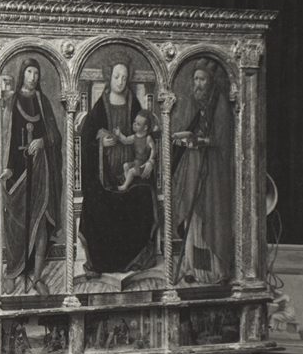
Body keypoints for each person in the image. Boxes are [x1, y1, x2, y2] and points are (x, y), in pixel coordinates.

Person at [78, 55, 158, 275]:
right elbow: (86, 138)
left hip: (131, 168)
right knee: (96, 200)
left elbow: (147, 137)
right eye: (116, 76)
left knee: (141, 196)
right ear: (109, 77)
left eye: (124, 77)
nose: (121, 81)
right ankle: (101, 262)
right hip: (104, 172)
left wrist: (149, 161)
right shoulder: (100, 106)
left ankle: (133, 259)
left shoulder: (134, 104)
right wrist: (100, 143)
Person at [0, 58, 63, 294]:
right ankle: (12, 272)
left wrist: (42, 141)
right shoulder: (13, 101)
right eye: (29, 72)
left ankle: (36, 277)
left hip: (41, 169)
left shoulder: (42, 101)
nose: (33, 77)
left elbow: (56, 135)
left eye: (36, 73)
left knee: (41, 224)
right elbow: (8, 138)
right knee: (16, 224)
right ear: (22, 74)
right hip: (18, 169)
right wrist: (8, 168)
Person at [172, 58, 234, 284]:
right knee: (193, 215)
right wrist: (182, 136)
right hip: (195, 165)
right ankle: (191, 267)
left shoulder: (220, 105)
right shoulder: (198, 104)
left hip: (212, 170)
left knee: (210, 213)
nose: (197, 84)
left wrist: (201, 141)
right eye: (195, 79)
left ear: (211, 82)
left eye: (202, 79)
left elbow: (222, 140)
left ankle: (215, 272)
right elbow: (193, 130)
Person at [115, 111, 157, 192]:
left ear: (145, 128)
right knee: (125, 165)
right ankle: (129, 183)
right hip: (136, 162)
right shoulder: (134, 137)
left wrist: (150, 161)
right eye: (134, 122)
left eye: (138, 124)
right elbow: (125, 140)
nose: (134, 124)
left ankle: (125, 186)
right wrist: (119, 134)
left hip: (143, 165)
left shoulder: (148, 138)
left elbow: (153, 149)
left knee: (131, 171)